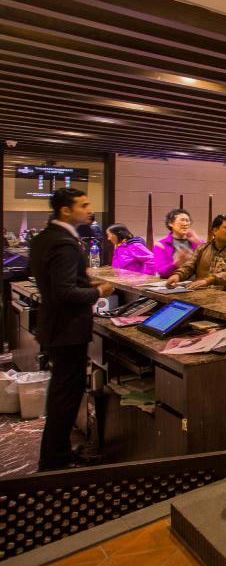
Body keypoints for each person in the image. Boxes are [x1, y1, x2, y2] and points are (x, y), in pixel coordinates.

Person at [30, 188, 115, 470]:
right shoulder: (64, 243)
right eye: (83, 205)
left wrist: (84, 282)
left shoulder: (44, 238)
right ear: (66, 210)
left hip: (55, 327)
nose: (89, 209)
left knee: (61, 394)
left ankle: (58, 454)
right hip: (67, 329)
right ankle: (56, 462)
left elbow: (58, 282)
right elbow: (64, 292)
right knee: (65, 396)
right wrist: (99, 291)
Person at [166, 215, 226, 290]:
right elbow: (190, 266)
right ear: (215, 231)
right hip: (200, 294)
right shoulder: (202, 248)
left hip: (225, 296)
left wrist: (209, 280)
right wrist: (178, 275)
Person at [152, 209, 204, 279]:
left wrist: (199, 242)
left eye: (187, 220)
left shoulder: (197, 242)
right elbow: (162, 272)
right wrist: (176, 264)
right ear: (170, 223)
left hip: (197, 281)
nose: (185, 224)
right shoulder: (162, 245)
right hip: (174, 282)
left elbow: (211, 262)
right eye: (182, 220)